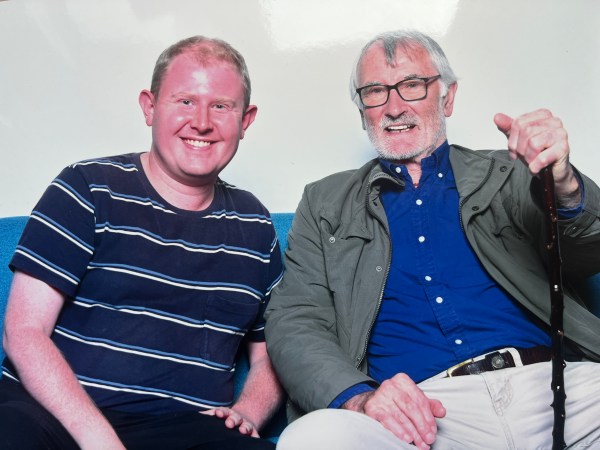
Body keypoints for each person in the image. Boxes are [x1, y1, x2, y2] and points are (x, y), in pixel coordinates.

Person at [265, 30, 600, 449]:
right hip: (423, 415)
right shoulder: (324, 203)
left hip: (558, 386)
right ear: (362, 111)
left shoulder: (513, 172)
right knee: (312, 439)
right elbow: (296, 319)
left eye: (412, 85)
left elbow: (587, 254)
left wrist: (563, 184)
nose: (394, 107)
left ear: (448, 97)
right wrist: (359, 399)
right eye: (375, 91)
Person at [0, 36, 283, 449]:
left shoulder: (255, 225)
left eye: (221, 106)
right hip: (53, 416)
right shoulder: (87, 188)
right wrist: (101, 441)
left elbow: (272, 353)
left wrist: (247, 412)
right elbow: (24, 331)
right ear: (150, 107)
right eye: (185, 101)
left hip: (184, 431)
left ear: (246, 119)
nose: (202, 122)